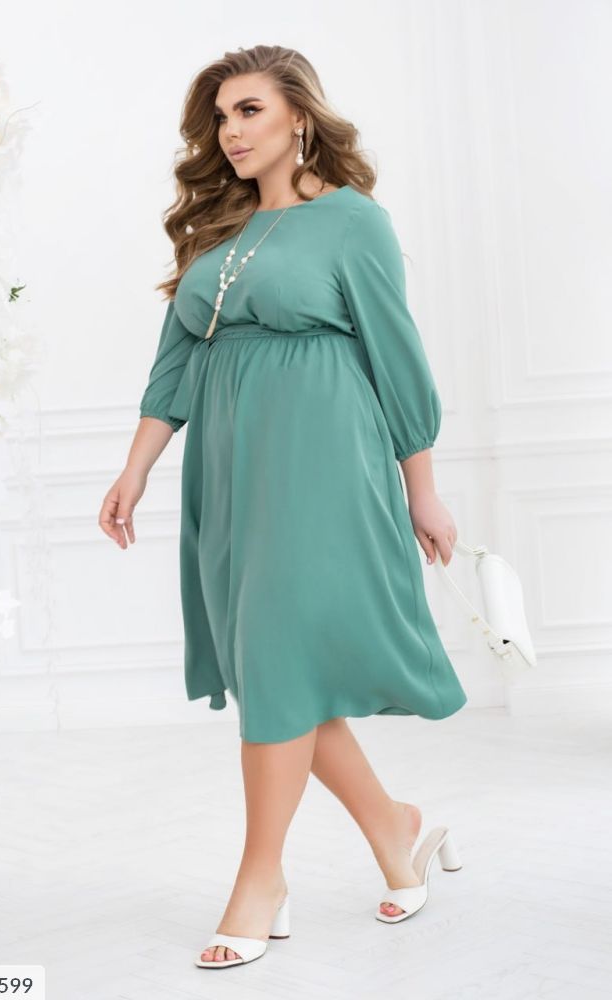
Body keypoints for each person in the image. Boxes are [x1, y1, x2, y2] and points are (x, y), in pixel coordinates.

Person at [98, 44, 467, 969]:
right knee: (280, 667)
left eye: (249, 110)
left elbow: (398, 358)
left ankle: (259, 879)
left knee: (275, 656)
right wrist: (134, 469)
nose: (231, 131)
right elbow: (174, 366)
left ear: (299, 114)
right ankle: (393, 826)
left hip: (325, 462)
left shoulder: (352, 222)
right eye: (221, 117)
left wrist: (421, 488)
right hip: (230, 470)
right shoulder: (214, 232)